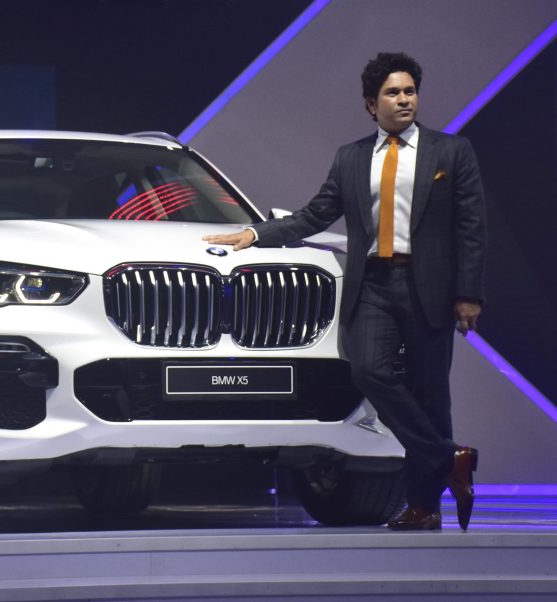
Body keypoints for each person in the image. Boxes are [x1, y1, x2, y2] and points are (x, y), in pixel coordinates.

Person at [204, 52, 486, 531]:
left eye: (410, 91)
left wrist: (469, 294)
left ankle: (423, 507)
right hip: (372, 283)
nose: (404, 100)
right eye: (393, 93)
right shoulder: (352, 157)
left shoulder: (451, 151)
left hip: (430, 287)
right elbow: (315, 214)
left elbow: (471, 227)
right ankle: (448, 458)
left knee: (430, 396)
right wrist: (254, 234)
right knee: (368, 371)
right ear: (371, 105)